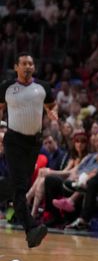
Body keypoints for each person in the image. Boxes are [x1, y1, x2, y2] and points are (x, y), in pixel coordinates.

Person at [0, 53, 58, 248]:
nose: (27, 66)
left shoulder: (43, 87)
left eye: (31, 64)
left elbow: (51, 105)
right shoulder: (6, 87)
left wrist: (53, 113)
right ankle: (31, 229)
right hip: (14, 141)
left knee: (20, 185)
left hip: (34, 142)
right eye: (24, 63)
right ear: (16, 67)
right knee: (19, 188)